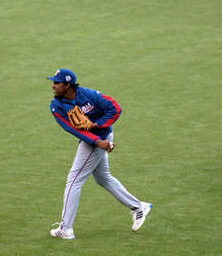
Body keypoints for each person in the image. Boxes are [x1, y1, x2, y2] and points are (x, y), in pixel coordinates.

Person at [47, 69, 152, 239]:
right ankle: (138, 207)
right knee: (103, 178)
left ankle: (66, 228)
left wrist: (97, 126)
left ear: (67, 85)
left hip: (98, 140)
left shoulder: (88, 95)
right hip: (94, 141)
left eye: (56, 83)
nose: (53, 86)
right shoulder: (56, 106)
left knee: (73, 181)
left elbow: (115, 108)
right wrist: (97, 140)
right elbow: (73, 129)